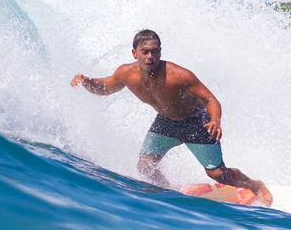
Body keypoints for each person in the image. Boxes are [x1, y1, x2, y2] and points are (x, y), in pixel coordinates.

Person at [70, 29, 273, 206]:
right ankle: (168, 191)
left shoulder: (178, 75)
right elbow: (104, 87)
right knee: (145, 166)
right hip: (166, 122)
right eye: (145, 51)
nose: (151, 56)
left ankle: (255, 185)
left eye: (155, 51)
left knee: (218, 174)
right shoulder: (125, 74)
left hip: (196, 122)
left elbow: (211, 100)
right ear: (134, 53)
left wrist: (215, 120)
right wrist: (86, 81)